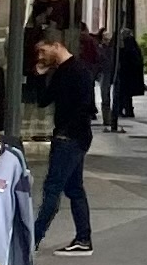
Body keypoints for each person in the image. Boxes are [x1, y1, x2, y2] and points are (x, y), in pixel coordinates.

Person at [27, 23, 96, 251]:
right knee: (74, 188)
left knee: (53, 188)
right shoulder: (62, 71)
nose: (40, 56)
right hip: (73, 136)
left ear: (56, 45)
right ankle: (83, 238)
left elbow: (86, 106)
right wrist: (39, 76)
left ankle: (33, 239)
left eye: (43, 50)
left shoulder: (77, 71)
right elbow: (43, 100)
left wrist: (66, 132)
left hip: (70, 138)